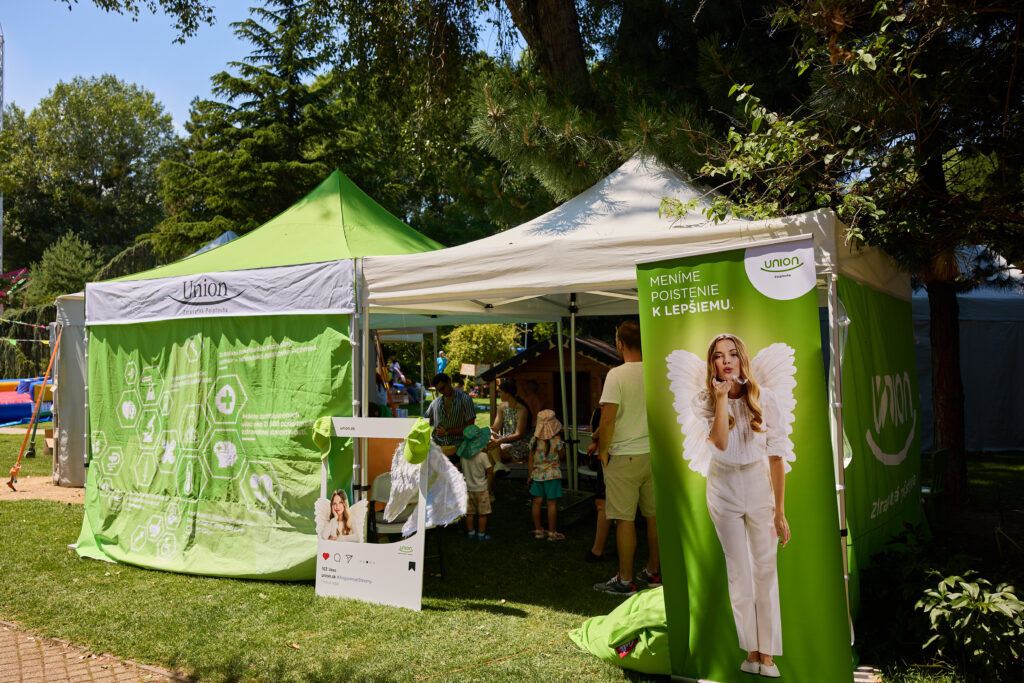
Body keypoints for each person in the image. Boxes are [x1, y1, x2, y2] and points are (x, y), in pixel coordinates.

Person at [694, 333, 789, 678]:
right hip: (723, 489)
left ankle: (768, 655)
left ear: (741, 358)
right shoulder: (704, 400)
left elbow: (776, 456)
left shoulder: (766, 399)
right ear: (713, 364)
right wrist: (721, 399)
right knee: (739, 572)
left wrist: (780, 511)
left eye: (732, 354)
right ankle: (750, 651)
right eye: (719, 356)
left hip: (758, 485)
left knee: (765, 569)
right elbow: (720, 443)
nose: (727, 361)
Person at [593, 320, 660, 596]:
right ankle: (654, 572)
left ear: (619, 344)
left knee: (624, 519)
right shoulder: (656, 371)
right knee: (653, 516)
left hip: (624, 456)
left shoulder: (616, 374)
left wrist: (602, 451)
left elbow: (608, 419)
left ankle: (626, 580)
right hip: (653, 455)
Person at [486, 378, 532, 497]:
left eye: (500, 392)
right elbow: (496, 427)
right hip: (505, 440)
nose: (499, 394)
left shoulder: (522, 409)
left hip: (521, 442)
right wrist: (490, 430)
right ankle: (498, 465)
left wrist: (499, 440)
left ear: (508, 394)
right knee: (490, 441)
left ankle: (489, 493)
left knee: (491, 452)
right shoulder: (501, 406)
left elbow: (519, 434)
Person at [583, 377, 612, 562]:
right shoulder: (599, 410)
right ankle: (597, 550)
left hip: (614, 459)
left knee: (604, 504)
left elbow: (605, 426)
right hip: (606, 459)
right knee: (602, 503)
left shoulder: (611, 407)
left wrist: (595, 435)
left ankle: (597, 551)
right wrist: (595, 443)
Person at [529, 410, 565, 540]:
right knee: (552, 504)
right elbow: (562, 456)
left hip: (537, 476)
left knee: (536, 502)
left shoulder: (534, 441)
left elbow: (530, 460)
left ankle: (539, 530)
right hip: (552, 476)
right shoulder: (557, 441)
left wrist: (530, 475)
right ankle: (552, 532)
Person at [424, 373, 476, 458]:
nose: (442, 392)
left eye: (443, 388)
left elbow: (470, 427)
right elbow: (424, 421)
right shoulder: (435, 402)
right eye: (439, 390)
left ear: (449, 382)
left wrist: (447, 432)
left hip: (458, 444)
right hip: (437, 443)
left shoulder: (465, 400)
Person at [457, 425, 493, 540]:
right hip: (481, 489)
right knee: (482, 514)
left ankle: (471, 532)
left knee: (469, 513)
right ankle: (481, 534)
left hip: (467, 489)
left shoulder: (463, 457)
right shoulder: (483, 456)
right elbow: (490, 471)